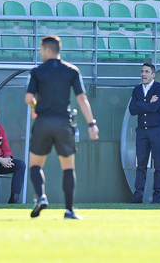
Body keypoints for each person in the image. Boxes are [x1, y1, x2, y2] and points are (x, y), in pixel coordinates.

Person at [25, 35, 99, 220]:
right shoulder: (72, 71)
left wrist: (35, 106)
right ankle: (69, 211)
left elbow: (28, 98)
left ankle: (41, 196)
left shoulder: (37, 71)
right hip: (63, 123)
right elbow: (82, 98)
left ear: (47, 50)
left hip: (43, 122)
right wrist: (92, 124)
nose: (40, 52)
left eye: (41, 49)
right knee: (68, 168)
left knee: (35, 164)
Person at [127, 63, 160, 204]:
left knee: (159, 164)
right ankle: (138, 196)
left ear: (153, 74)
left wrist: (141, 104)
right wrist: (147, 103)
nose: (143, 74)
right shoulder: (137, 89)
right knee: (141, 164)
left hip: (157, 130)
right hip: (142, 131)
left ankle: (157, 197)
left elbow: (154, 107)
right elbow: (132, 109)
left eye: (147, 72)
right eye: (142, 71)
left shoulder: (159, 88)